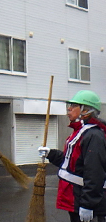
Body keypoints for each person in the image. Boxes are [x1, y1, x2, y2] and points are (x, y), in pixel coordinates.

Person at [38, 90, 106, 222]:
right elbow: (72, 163)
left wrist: (88, 204)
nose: (69, 108)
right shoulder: (80, 131)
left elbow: (94, 172)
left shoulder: (94, 136)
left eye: (74, 105)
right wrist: (51, 154)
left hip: (84, 200)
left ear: (86, 110)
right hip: (75, 197)